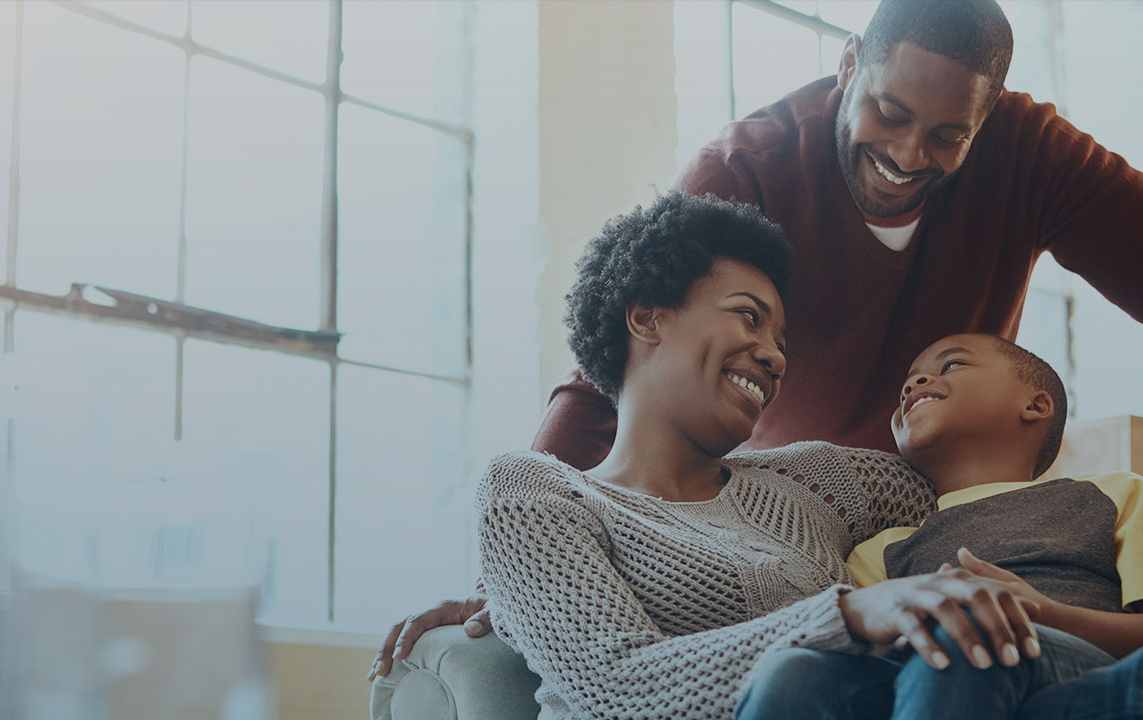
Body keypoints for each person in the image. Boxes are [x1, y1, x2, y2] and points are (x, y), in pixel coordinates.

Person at [373, 0, 1143, 674]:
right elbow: (612, 380)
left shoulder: (1034, 153)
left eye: (949, 136)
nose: (909, 156)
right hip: (809, 529)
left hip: (938, 502)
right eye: (891, 113)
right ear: (848, 64)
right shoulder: (744, 172)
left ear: (990, 115)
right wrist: (512, 576)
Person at [381, 191, 1045, 717]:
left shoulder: (818, 478)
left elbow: (981, 485)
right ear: (647, 317)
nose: (777, 355)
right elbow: (619, 689)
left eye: (782, 337)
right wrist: (851, 613)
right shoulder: (535, 489)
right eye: (749, 317)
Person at [736, 333, 1143, 720]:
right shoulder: (881, 549)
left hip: (1089, 673)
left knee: (968, 627)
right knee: (793, 672)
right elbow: (870, 650)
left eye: (951, 364)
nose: (915, 383)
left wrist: (1050, 615)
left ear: (1035, 406)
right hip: (936, 688)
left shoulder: (1114, 493)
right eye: (904, 389)